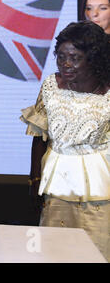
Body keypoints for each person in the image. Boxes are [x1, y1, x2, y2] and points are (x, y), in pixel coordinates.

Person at [21, 21, 110, 261]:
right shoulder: (51, 85)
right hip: (57, 187)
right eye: (61, 57)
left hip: (100, 193)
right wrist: (34, 180)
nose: (66, 65)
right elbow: (40, 136)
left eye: (75, 58)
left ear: (93, 59)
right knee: (55, 253)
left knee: (97, 253)